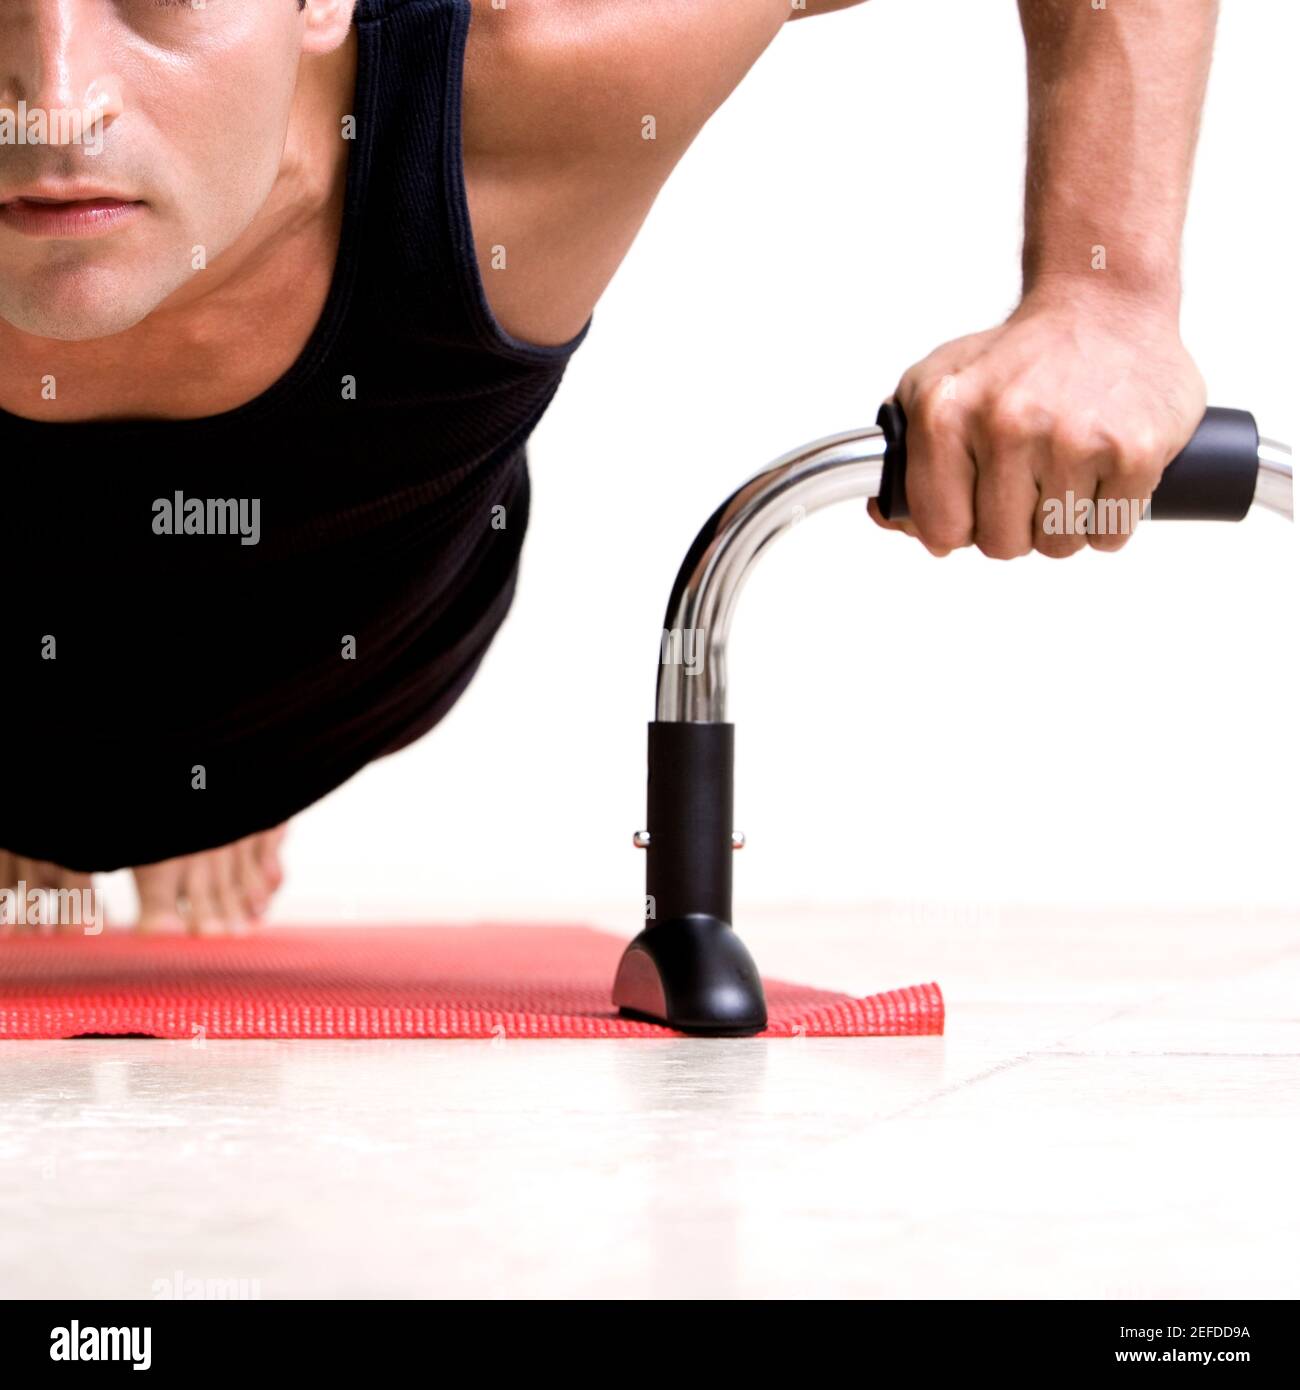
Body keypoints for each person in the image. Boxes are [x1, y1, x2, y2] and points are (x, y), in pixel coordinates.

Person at [0, 0, 1213, 932]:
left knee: (220, 717)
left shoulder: (548, 55)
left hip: (336, 673)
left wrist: (1101, 293)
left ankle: (215, 774)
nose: (53, 102)